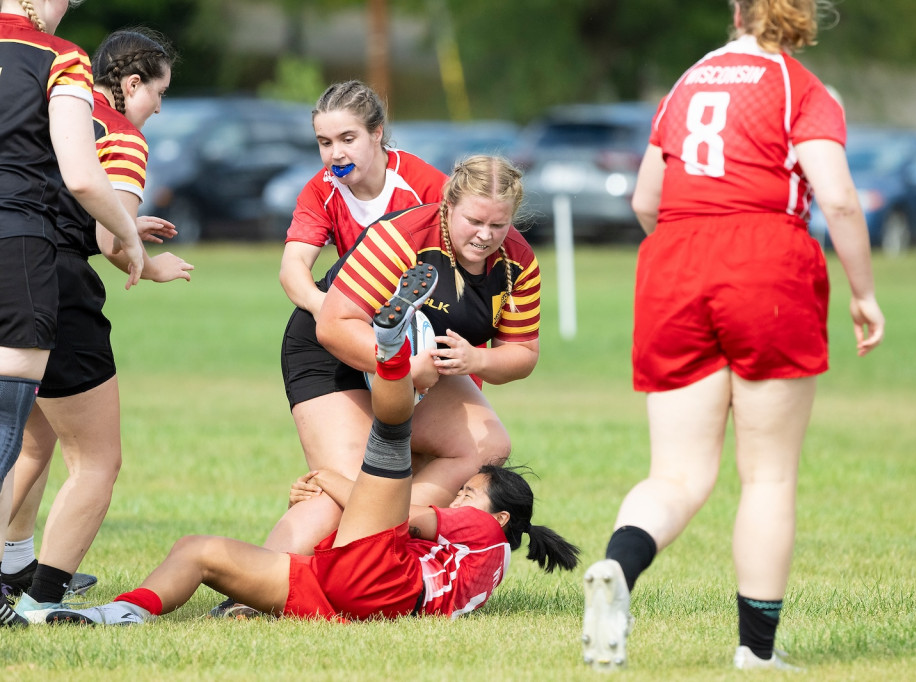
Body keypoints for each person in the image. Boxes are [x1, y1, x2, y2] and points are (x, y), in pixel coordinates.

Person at [580, 0, 885, 672]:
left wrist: (693, 255)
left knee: (678, 473)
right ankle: (756, 651)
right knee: (768, 477)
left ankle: (619, 570)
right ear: (803, 11)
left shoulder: (686, 82)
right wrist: (863, 293)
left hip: (674, 263)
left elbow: (644, 202)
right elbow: (835, 197)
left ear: (735, 10)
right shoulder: (799, 87)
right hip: (765, 262)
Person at [44, 264, 577, 626]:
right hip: (348, 590)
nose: (457, 496)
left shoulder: (484, 532)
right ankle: (116, 613)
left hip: (379, 580)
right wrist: (335, 491)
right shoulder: (482, 555)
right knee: (198, 550)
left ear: (500, 519)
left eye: (468, 493)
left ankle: (390, 350)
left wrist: (328, 481)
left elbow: (412, 517)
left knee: (390, 440)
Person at [2, 28, 192, 625]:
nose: (159, 106)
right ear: (131, 83)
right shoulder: (124, 135)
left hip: (13, 263)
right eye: (157, 92)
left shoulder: (54, 105)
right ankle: (42, 604)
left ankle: (12, 565)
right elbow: (113, 241)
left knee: (31, 437)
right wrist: (146, 260)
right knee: (97, 461)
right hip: (57, 286)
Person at [264, 154, 540, 559]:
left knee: (486, 447)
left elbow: (523, 352)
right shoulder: (403, 236)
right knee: (351, 485)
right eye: (474, 222)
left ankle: (392, 534)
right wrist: (404, 369)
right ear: (448, 207)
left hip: (424, 361)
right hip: (334, 352)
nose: (486, 235)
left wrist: (475, 361)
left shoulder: (517, 261)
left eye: (498, 225)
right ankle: (255, 584)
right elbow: (334, 324)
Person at [279, 80, 446, 483]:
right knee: (358, 473)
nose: (335, 153)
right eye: (324, 142)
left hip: (427, 338)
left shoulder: (427, 187)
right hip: (358, 342)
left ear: (377, 134)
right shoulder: (323, 189)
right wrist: (334, 315)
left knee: (423, 461)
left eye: (347, 138)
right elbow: (292, 270)